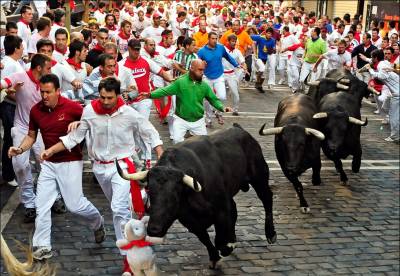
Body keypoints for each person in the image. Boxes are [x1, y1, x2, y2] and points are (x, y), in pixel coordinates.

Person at [41, 77, 163, 275]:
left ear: (118, 96)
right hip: (99, 169)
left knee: (118, 210)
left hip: (123, 168)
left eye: (109, 98)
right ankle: (141, 199)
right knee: (120, 206)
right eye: (102, 97)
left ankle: (128, 261)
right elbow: (75, 137)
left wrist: (161, 154)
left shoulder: (130, 114)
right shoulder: (89, 111)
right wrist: (51, 151)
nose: (105, 101)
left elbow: (150, 133)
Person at [7, 74, 105, 260]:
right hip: (49, 164)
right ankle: (42, 245)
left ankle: (97, 221)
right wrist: (19, 149)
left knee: (75, 205)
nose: (44, 96)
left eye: (48, 92)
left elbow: (94, 120)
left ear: (58, 91)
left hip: (70, 162)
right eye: (42, 92)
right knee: (42, 205)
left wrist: (80, 122)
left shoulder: (73, 107)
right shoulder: (35, 110)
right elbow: (31, 137)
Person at [0, 54, 51, 223]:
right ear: (39, 68)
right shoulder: (20, 76)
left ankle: (53, 198)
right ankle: (29, 203)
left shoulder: (49, 81)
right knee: (20, 166)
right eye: (48, 67)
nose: (50, 71)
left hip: (42, 130)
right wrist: (8, 88)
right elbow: (3, 83)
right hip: (22, 128)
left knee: (46, 165)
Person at [141, 59, 232, 144]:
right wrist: (149, 95)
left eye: (203, 70)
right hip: (181, 120)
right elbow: (164, 91)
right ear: (192, 69)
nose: (202, 73)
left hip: (198, 121)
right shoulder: (180, 82)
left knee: (204, 145)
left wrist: (222, 107)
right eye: (200, 70)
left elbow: (213, 99)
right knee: (176, 142)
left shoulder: (204, 85)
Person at [197, 32, 240, 126]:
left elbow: (229, 57)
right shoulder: (201, 51)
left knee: (222, 96)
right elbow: (196, 63)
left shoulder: (221, 48)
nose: (215, 41)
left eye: (216, 39)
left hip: (219, 75)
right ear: (208, 39)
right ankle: (208, 119)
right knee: (206, 100)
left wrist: (237, 65)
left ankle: (218, 113)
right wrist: (201, 64)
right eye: (213, 39)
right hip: (206, 77)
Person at [0, 35, 25, 187]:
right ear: (16, 48)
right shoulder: (12, 65)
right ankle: (8, 174)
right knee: (10, 139)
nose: (23, 49)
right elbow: (9, 90)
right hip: (9, 105)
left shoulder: (9, 62)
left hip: (10, 105)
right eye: (21, 46)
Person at [223, 34, 246, 115]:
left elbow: (243, 62)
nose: (234, 43)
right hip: (220, 75)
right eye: (232, 41)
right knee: (219, 94)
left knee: (235, 94)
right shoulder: (222, 49)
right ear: (228, 41)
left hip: (231, 75)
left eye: (235, 41)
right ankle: (216, 110)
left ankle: (235, 110)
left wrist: (245, 68)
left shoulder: (237, 51)